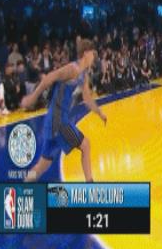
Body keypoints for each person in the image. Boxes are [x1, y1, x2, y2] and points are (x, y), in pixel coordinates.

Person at [21, 39, 107, 182]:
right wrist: (32, 97)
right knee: (85, 145)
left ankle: (22, 187)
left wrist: (100, 113)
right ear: (85, 53)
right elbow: (49, 78)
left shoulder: (83, 74)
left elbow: (87, 98)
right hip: (58, 120)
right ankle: (90, 185)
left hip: (54, 120)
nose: (94, 57)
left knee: (42, 165)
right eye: (93, 53)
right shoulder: (72, 69)